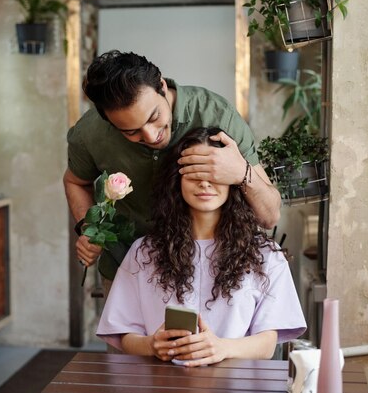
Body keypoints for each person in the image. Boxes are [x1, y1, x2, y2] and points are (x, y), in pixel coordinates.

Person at [64, 50, 282, 282]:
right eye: (131, 131)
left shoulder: (217, 116)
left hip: (212, 275)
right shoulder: (90, 133)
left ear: (162, 86)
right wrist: (90, 228)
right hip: (127, 272)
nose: (150, 135)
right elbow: (76, 181)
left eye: (153, 117)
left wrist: (241, 173)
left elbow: (269, 217)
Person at [96, 127, 306, 367]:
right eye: (195, 173)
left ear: (232, 180)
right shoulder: (144, 252)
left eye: (214, 174)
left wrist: (222, 348)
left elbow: (268, 343)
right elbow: (124, 335)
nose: (205, 183)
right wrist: (152, 345)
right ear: (177, 180)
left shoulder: (265, 255)